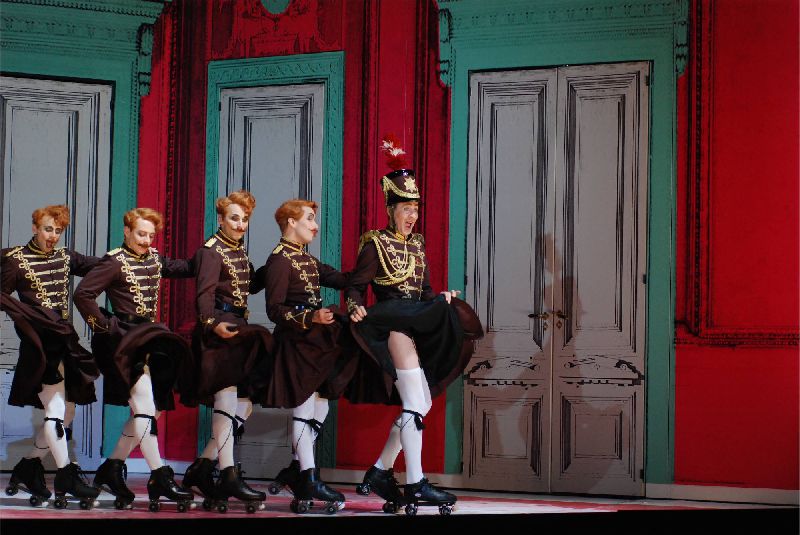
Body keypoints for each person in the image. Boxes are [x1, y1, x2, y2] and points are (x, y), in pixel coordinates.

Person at [345, 136, 483, 514]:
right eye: (406, 209)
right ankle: (415, 482)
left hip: (415, 324)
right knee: (415, 402)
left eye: (415, 209)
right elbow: (356, 287)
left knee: (419, 403)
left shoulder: (418, 245)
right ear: (391, 209)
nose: (411, 216)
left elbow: (424, 293)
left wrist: (441, 302)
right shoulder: (375, 244)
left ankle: (380, 470)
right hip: (391, 326)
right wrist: (354, 306)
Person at [74, 208, 195, 512]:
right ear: (127, 231)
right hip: (122, 342)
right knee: (144, 407)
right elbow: (83, 295)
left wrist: (212, 252)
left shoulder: (154, 259)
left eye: (151, 235)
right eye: (141, 234)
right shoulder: (114, 261)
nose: (146, 240)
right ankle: (160, 475)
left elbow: (185, 267)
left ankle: (111, 468)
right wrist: (106, 326)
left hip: (150, 338)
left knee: (151, 410)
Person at [250, 199, 356, 514]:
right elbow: (275, 310)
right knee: (304, 410)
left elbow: (341, 278)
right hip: (296, 343)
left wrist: (371, 266)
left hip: (314, 344)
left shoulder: (305, 258)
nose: (315, 225)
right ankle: (308, 477)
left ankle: (297, 468)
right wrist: (311, 317)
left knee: (320, 406)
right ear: (291, 222)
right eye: (309, 219)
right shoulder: (279, 260)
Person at [1, 205, 101, 508]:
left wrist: (136, 257)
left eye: (58, 231)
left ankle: (28, 466)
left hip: (65, 342)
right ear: (34, 227)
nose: (53, 235)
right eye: (48, 229)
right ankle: (67, 475)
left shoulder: (65, 257)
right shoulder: (15, 260)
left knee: (67, 412)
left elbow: (104, 266)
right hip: (39, 346)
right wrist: (27, 320)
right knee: (56, 411)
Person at [180, 190, 270, 513]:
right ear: (220, 219)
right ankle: (229, 474)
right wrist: (211, 324)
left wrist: (277, 261)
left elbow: (249, 285)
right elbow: (204, 295)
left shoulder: (237, 250)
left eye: (244, 219)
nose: (240, 224)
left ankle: (203, 466)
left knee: (243, 405)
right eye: (234, 218)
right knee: (228, 400)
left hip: (237, 328)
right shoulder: (211, 251)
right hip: (218, 330)